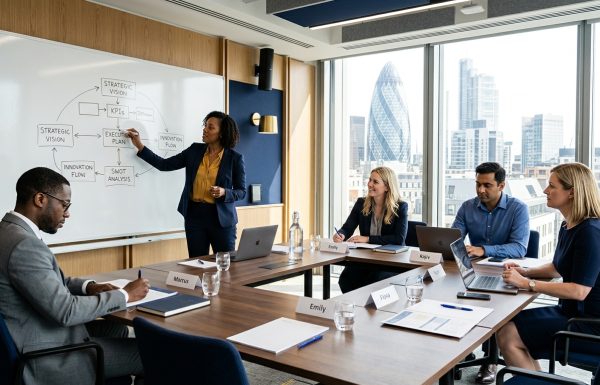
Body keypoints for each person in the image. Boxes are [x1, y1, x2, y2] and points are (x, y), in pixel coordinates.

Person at [0, 167, 150, 385]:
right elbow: (65, 311)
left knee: (116, 327)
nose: (67, 213)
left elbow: (48, 282)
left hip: (29, 332)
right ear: (40, 199)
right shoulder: (25, 245)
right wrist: (125, 295)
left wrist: (89, 287)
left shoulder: (8, 232)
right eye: (65, 204)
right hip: (47, 356)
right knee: (149, 352)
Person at [497, 162, 600, 371]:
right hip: (569, 312)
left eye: (552, 186)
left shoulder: (590, 232)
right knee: (506, 324)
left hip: (588, 324)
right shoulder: (569, 224)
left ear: (571, 192)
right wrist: (524, 272)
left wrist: (527, 283)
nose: (545, 191)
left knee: (508, 335)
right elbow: (556, 267)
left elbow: (579, 291)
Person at [127, 111, 246, 257]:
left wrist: (224, 192)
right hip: (195, 216)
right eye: (205, 126)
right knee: (196, 264)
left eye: (210, 127)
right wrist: (139, 145)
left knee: (225, 265)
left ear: (221, 133)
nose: (205, 130)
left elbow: (241, 191)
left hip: (221, 220)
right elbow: (164, 164)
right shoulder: (194, 151)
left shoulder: (234, 158)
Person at [452, 162, 530, 383]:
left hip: (508, 272)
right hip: (475, 270)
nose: (480, 190)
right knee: (452, 293)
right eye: (478, 184)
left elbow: (520, 247)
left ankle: (491, 359)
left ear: (502, 185)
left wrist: (484, 249)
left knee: (496, 310)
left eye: (487, 185)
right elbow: (454, 238)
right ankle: (461, 349)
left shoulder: (518, 208)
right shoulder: (467, 207)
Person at [333, 166, 408, 293]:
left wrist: (367, 239)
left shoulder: (400, 207)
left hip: (391, 261)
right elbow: (347, 228)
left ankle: (371, 310)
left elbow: (398, 239)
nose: (369, 184)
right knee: (346, 279)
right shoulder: (361, 203)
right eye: (369, 180)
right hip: (367, 258)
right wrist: (340, 235)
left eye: (375, 182)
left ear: (387, 187)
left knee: (377, 279)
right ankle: (358, 308)